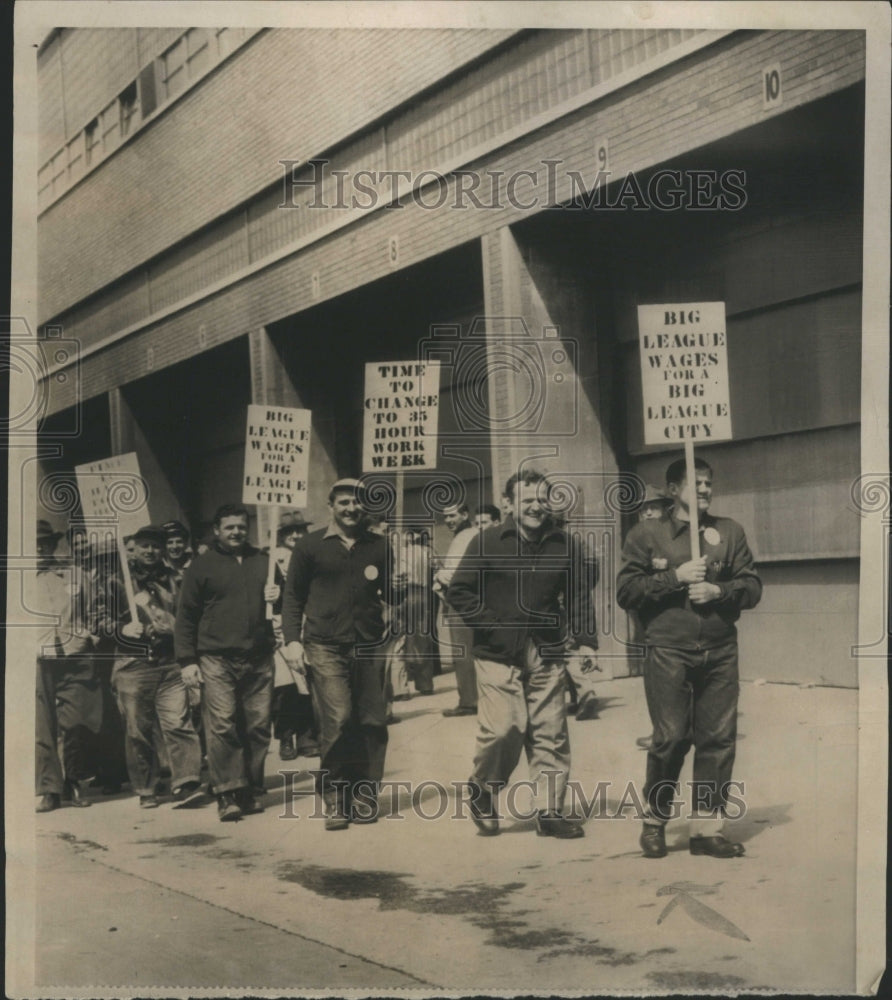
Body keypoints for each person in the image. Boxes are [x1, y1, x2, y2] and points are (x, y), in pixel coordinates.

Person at [616, 457, 762, 859]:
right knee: (671, 737)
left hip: (719, 650)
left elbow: (751, 586)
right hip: (668, 649)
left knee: (717, 739)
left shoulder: (728, 532)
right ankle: (654, 821)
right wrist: (674, 579)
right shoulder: (646, 534)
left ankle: (706, 829)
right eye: (695, 483)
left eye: (708, 483)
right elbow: (626, 592)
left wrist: (719, 592)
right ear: (672, 490)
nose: (704, 490)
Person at [447, 470, 599, 839]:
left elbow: (579, 595)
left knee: (550, 733)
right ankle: (483, 789)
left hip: (546, 648)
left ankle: (549, 811)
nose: (535, 506)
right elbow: (460, 591)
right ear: (510, 504)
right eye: (527, 499)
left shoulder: (565, 545)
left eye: (542, 499)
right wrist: (492, 624)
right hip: (498, 651)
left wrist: (585, 641)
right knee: (504, 728)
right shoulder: (487, 541)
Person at [281, 479, 399, 830]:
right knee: (339, 720)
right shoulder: (310, 545)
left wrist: (399, 595)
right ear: (331, 505)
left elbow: (390, 593)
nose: (352, 509)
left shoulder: (378, 545)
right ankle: (335, 797)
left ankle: (364, 795)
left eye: (358, 503)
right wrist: (292, 641)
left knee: (374, 722)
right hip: (324, 644)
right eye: (344, 502)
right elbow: (292, 598)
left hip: (368, 644)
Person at [174, 503, 280, 821]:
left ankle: (249, 788)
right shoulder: (201, 567)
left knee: (259, 727)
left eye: (241, 527)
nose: (236, 532)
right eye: (229, 527)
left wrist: (278, 593)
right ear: (217, 530)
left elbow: (288, 602)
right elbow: (186, 617)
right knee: (222, 725)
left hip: (259, 656)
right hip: (216, 658)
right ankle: (228, 793)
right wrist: (187, 661)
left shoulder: (265, 562)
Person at [111, 525, 204, 809]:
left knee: (178, 722)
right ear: (133, 549)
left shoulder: (177, 580)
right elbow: (96, 619)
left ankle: (186, 782)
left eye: (155, 546)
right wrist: (121, 628)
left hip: (171, 662)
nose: (150, 551)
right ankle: (146, 787)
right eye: (144, 546)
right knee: (138, 728)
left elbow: (190, 614)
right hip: (133, 665)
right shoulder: (117, 582)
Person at [32, 519, 105, 812]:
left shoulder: (74, 574)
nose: (40, 548)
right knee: (43, 726)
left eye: (45, 542)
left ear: (53, 545)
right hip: (37, 657)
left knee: (76, 722)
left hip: (75, 653)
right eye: (34, 543)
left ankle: (73, 782)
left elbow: (95, 606)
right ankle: (50, 789)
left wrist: (93, 632)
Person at [271, 511, 318, 761]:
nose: (296, 535)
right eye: (289, 531)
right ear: (280, 535)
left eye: (300, 530)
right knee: (285, 685)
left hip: (307, 621)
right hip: (280, 623)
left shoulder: (312, 553)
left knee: (308, 681)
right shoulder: (271, 559)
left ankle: (307, 734)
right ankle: (285, 735)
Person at [434, 502, 479, 718]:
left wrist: (438, 578)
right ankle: (474, 698)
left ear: (464, 514)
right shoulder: (468, 535)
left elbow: (453, 573)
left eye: (453, 516)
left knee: (462, 652)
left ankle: (469, 702)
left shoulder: (466, 536)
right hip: (469, 599)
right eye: (446, 517)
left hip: (461, 600)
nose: (449, 521)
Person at [161, 520, 193, 584]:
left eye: (179, 542)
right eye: (169, 542)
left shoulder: (195, 565)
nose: (175, 546)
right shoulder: (158, 569)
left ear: (186, 544)